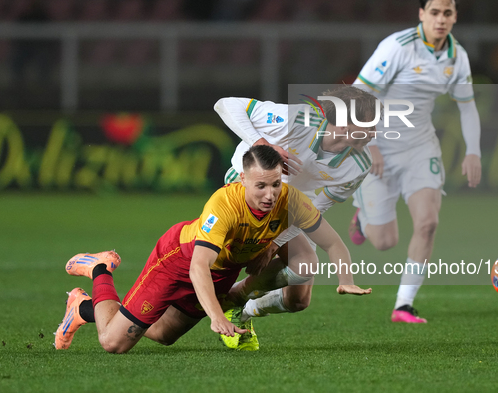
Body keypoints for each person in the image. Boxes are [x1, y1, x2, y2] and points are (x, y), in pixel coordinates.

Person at [54, 145, 370, 353]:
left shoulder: (290, 201)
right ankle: (99, 269)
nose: (270, 194)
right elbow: (197, 266)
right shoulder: (224, 204)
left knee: (164, 335)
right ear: (242, 179)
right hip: (177, 260)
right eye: (261, 185)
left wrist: (345, 279)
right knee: (114, 343)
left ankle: (83, 309)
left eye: (275, 184)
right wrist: (216, 317)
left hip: (219, 272)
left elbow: (333, 242)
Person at [349, 0, 482, 323]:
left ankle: (403, 305)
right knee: (384, 242)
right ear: (422, 14)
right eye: (434, 12)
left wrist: (473, 151)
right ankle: (363, 220)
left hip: (421, 147)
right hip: (379, 145)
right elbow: (358, 94)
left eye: (447, 13)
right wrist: (370, 143)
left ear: (455, 17)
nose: (441, 19)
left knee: (427, 224)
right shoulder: (397, 47)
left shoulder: (457, 57)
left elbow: (467, 107)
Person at [214, 85, 379, 349]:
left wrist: (276, 243)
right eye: (369, 124)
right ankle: (211, 297)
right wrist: (263, 145)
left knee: (298, 299)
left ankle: (240, 306)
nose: (374, 132)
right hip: (246, 191)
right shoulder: (297, 120)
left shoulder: (358, 165)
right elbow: (225, 103)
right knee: (229, 259)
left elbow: (317, 208)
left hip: (290, 206)